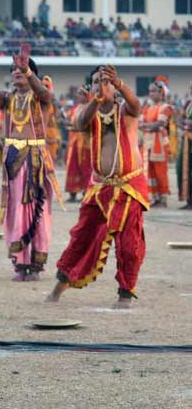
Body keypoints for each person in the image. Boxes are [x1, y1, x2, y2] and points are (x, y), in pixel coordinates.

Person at [48, 66, 148, 308]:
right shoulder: (85, 111)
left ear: (115, 86)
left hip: (128, 186)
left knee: (129, 243)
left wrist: (120, 84)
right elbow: (81, 123)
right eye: (96, 82)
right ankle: (58, 289)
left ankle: (125, 294)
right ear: (90, 88)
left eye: (106, 81)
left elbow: (137, 105)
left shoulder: (125, 110)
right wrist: (96, 100)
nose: (102, 85)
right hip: (99, 187)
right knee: (81, 237)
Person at [0, 44, 61, 281]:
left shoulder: (41, 97)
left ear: (30, 72)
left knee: (36, 209)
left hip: (35, 160)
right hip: (14, 160)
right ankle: (20, 263)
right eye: (13, 69)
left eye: (20, 69)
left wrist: (27, 71)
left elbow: (46, 93)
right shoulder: (8, 99)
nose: (15, 72)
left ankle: (35, 265)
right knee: (16, 210)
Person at [140, 79, 172, 207]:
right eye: (150, 91)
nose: (151, 94)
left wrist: (149, 126)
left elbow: (159, 124)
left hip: (159, 143)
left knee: (160, 171)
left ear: (161, 93)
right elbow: (140, 124)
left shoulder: (166, 108)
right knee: (150, 172)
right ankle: (155, 198)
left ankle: (163, 199)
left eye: (154, 91)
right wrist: (151, 126)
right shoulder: (147, 107)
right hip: (148, 143)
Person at [64, 87, 94, 202]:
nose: (78, 96)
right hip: (74, 142)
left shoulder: (90, 108)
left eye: (81, 94)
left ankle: (86, 192)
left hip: (85, 143)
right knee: (72, 166)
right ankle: (72, 193)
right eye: (78, 94)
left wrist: (76, 127)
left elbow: (87, 124)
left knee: (86, 167)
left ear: (87, 95)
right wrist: (68, 123)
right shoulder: (75, 108)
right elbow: (69, 120)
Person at [178, 81, 192, 209]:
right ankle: (188, 200)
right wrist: (185, 124)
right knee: (184, 169)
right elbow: (179, 119)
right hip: (187, 140)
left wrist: (187, 124)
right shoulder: (188, 103)